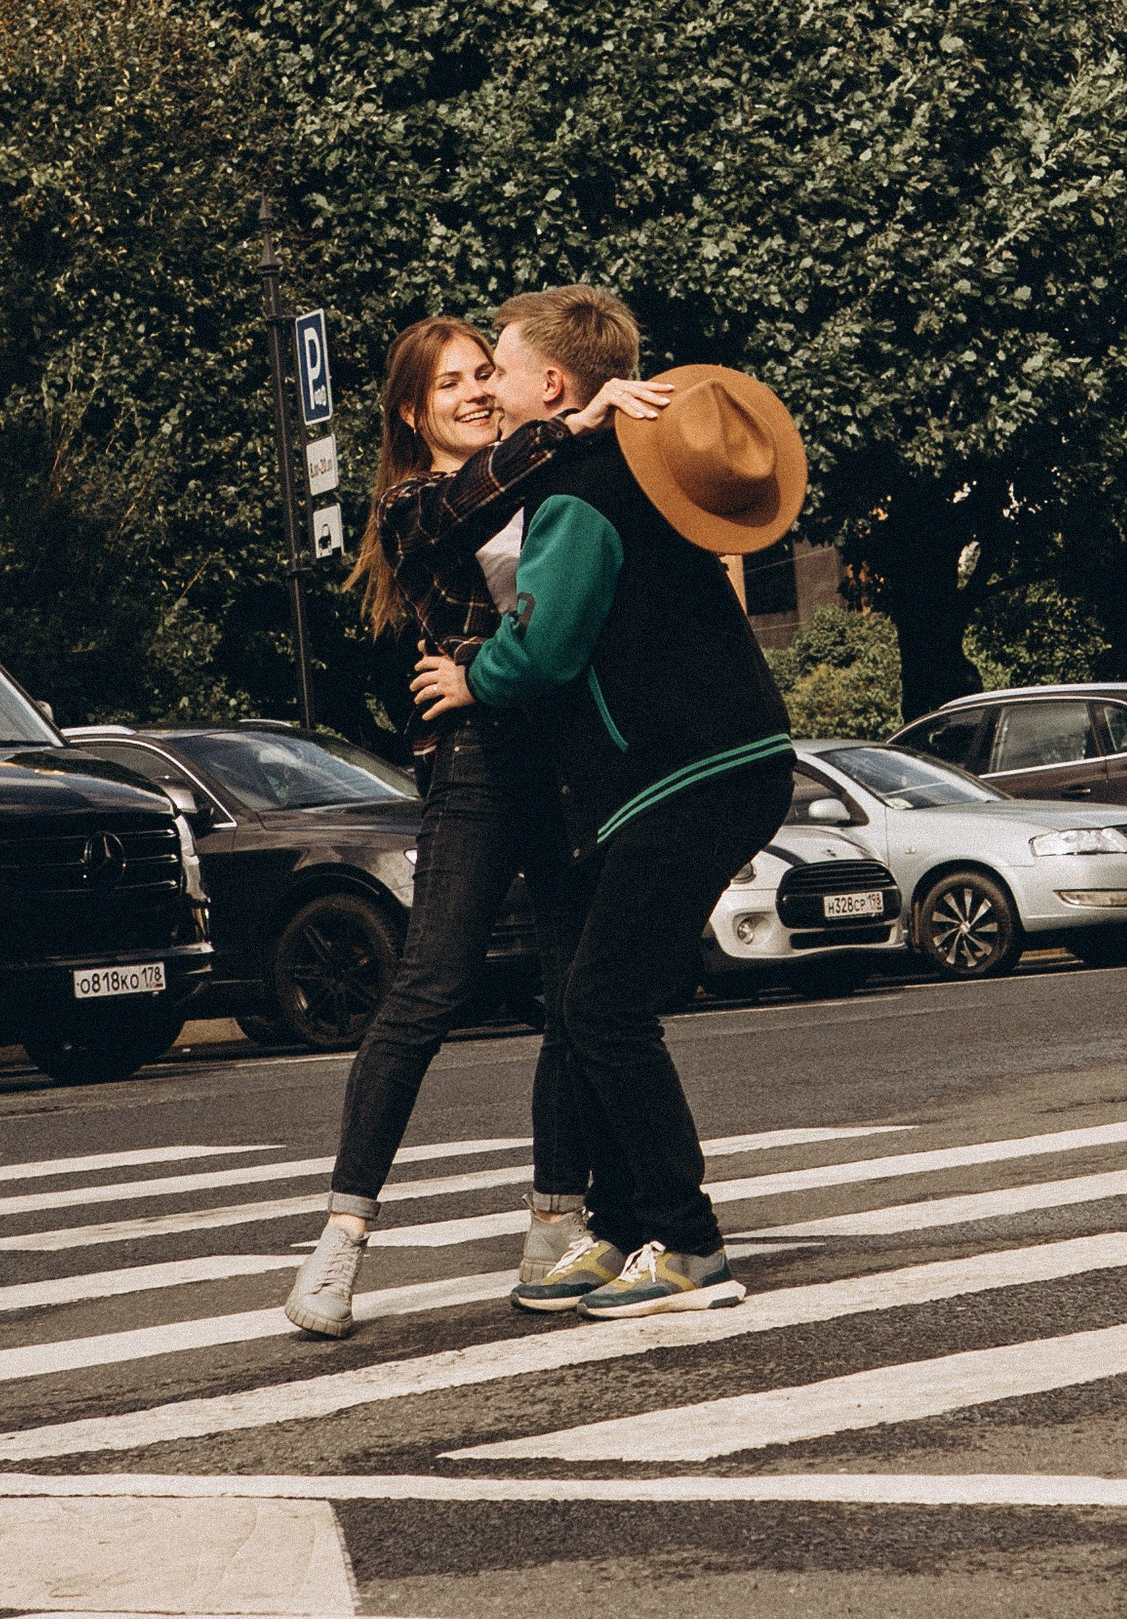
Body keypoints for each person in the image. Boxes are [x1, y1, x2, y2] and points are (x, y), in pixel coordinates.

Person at [282, 291, 668, 1340]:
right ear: (412, 415)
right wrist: (568, 424)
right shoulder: (416, 507)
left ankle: (556, 1218)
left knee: (572, 988)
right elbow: (472, 501)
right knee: (433, 984)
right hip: (477, 763)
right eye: (448, 385)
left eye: (479, 376)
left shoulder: (548, 477)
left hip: (562, 758)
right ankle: (340, 1240)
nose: (473, 395)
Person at [416, 348, 803, 1322]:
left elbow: (544, 647)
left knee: (600, 1006)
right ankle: (625, 1229)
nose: (486, 383)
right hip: (703, 770)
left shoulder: (579, 496)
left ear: (552, 384)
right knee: (591, 999)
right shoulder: (622, 482)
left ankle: (689, 1243)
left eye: (498, 363)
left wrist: (475, 678)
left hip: (685, 775)